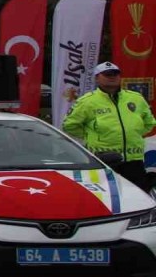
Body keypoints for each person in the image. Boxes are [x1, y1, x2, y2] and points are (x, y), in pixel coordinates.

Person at [63, 62, 155, 191]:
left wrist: (134, 132)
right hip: (103, 160)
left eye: (116, 74)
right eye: (107, 74)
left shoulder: (136, 98)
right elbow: (69, 125)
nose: (112, 77)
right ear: (97, 78)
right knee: (108, 197)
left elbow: (149, 123)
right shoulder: (87, 101)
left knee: (138, 197)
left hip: (134, 160)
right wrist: (92, 135)